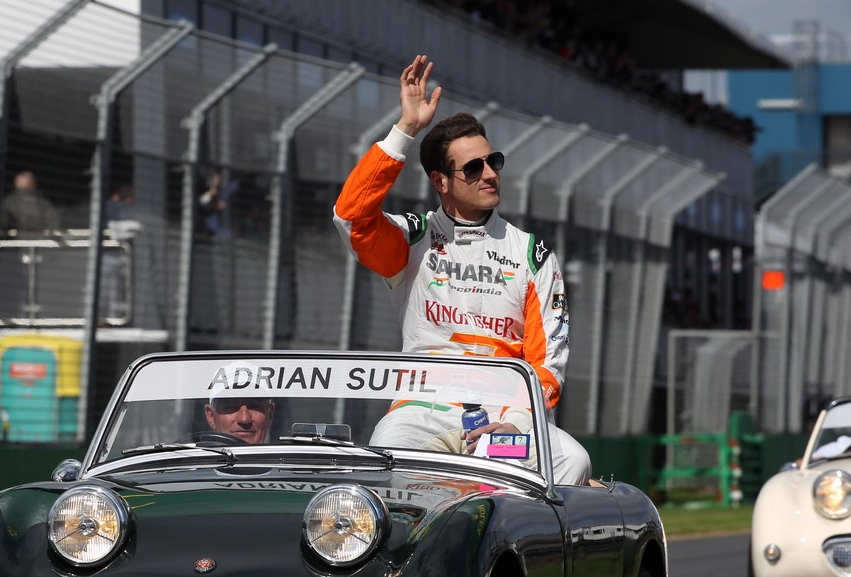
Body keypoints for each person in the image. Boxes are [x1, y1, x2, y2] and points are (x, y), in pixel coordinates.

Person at [332, 53, 590, 483]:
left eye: (494, 162)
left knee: (572, 462)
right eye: (474, 167)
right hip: (421, 411)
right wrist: (405, 130)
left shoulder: (532, 254)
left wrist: (519, 422)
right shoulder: (411, 238)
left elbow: (548, 364)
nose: (490, 174)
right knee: (385, 463)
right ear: (441, 181)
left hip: (505, 416)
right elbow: (351, 217)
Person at [202, 396, 274, 444]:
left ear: (270, 414)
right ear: (211, 416)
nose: (244, 419)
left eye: (254, 407)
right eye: (231, 407)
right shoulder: (192, 465)